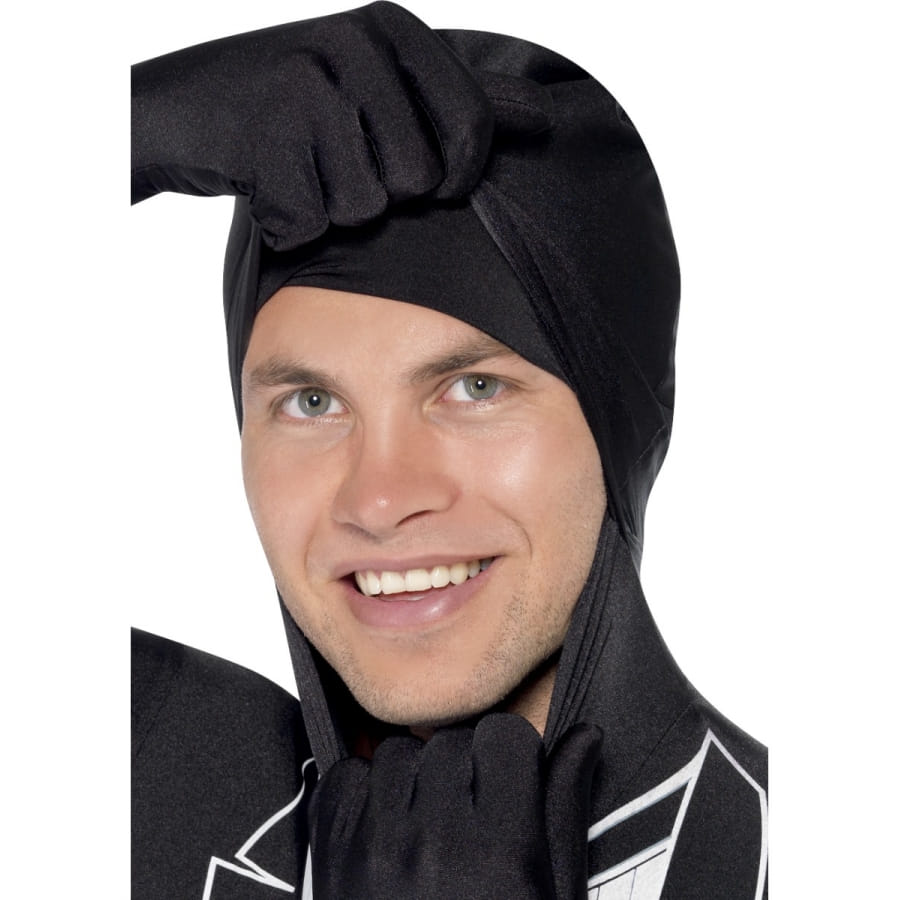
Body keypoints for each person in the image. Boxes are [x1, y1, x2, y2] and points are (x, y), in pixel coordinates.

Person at [131, 3, 767, 897]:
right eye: (312, 403)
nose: (380, 499)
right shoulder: (153, 790)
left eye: (473, 389)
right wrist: (119, 124)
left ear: (620, 425)